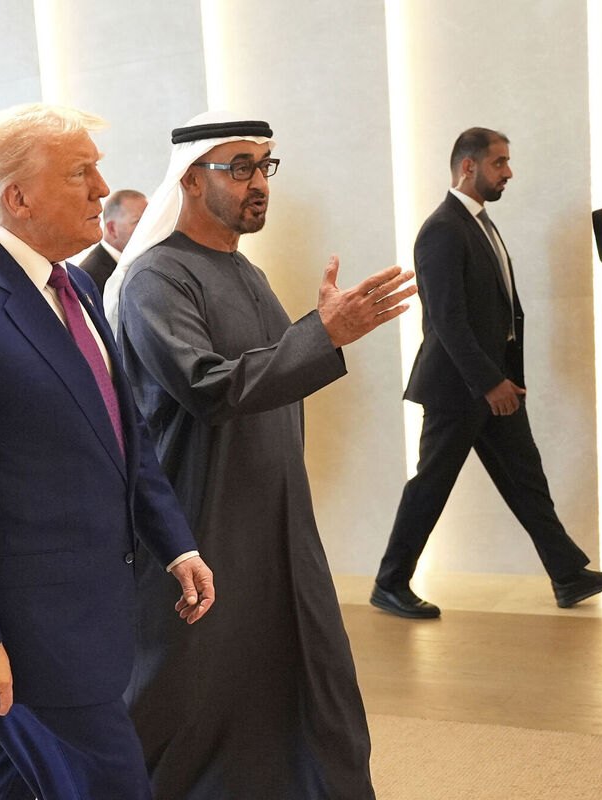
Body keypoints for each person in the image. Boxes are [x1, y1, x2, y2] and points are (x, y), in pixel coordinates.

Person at [0, 103, 215, 800]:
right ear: (19, 196)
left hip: (89, 613)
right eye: (81, 173)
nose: (103, 189)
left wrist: (176, 545)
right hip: (29, 635)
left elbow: (122, 436)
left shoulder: (79, 286)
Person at [106, 111, 416, 800]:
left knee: (312, 685)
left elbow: (272, 374)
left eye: (263, 168)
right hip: (203, 526)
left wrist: (321, 331)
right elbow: (209, 386)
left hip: (280, 526)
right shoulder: (157, 280)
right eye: (238, 167)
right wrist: (323, 334)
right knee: (189, 705)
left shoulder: (244, 272)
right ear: (190, 178)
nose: (258, 184)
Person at [371, 127, 602, 620]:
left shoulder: (479, 223)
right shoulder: (443, 228)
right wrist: (489, 382)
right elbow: (447, 320)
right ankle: (390, 583)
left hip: (495, 385)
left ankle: (568, 575)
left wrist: (505, 379)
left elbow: (500, 311)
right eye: (499, 163)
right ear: (468, 167)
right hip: (459, 388)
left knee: (525, 479)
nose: (508, 172)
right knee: (431, 485)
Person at [77, 189, 146, 293]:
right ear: (112, 229)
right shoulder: (88, 277)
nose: (148, 228)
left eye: (149, 221)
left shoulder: (143, 260)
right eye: (138, 222)